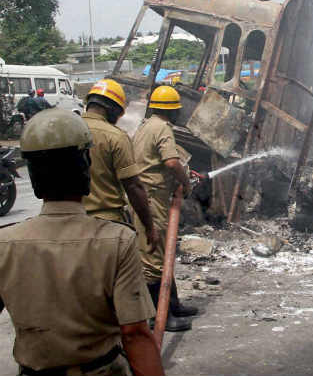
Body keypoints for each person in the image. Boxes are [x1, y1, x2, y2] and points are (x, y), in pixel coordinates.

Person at [0, 109, 164, 376]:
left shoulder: (5, 243)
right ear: (86, 170)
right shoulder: (118, 242)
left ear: (33, 175)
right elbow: (135, 333)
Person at [133, 85, 195, 332]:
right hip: (152, 198)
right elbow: (171, 162)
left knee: (161, 253)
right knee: (154, 257)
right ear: (173, 110)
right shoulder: (162, 128)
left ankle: (174, 305)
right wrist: (185, 182)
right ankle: (161, 316)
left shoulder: (146, 125)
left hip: (148, 195)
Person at [82, 79, 158, 251]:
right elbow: (133, 187)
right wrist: (149, 227)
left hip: (71, 223)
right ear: (112, 109)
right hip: (106, 225)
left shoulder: (68, 131)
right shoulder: (115, 137)